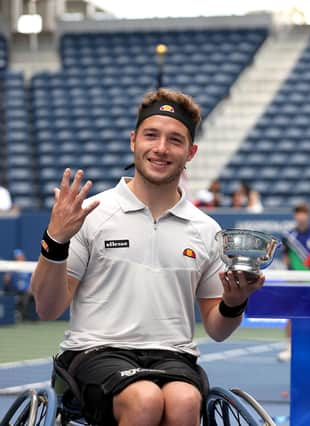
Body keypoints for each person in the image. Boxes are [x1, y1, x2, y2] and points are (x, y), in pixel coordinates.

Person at [30, 88, 266, 426]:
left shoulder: (206, 229)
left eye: (175, 140)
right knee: (144, 399)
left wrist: (234, 301)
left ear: (191, 152)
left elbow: (217, 328)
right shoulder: (92, 214)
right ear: (133, 140)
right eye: (151, 135)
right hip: (95, 351)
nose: (160, 148)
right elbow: (47, 308)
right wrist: (55, 240)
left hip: (174, 356)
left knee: (185, 402)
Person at [278, 202, 310, 362]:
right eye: (297, 213)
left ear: (308, 215)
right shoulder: (289, 236)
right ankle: (289, 345)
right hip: (295, 282)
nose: (300, 216)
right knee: (291, 315)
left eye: (303, 213)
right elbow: (286, 257)